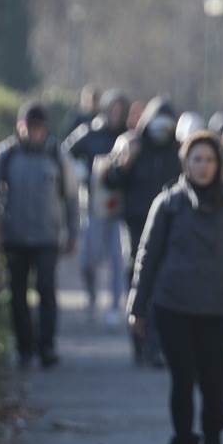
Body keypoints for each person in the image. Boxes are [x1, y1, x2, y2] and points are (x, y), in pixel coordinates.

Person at [126, 131, 223, 444]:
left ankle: (213, 430)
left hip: (214, 308)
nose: (202, 167)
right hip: (173, 306)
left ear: (219, 165)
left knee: (214, 386)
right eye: (196, 159)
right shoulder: (168, 203)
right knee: (182, 381)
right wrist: (138, 306)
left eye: (209, 160)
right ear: (186, 163)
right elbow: (147, 257)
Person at [0, 103, 79, 369]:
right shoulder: (5, 154)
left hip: (47, 238)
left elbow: (72, 197)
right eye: (28, 127)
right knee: (17, 295)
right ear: (20, 126)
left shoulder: (57, 155)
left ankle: (47, 346)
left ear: (45, 128)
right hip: (15, 237)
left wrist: (73, 232)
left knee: (46, 291)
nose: (33, 132)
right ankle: (24, 348)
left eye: (38, 128)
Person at [102, 96, 181, 366]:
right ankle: (139, 344)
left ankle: (158, 345)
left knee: (164, 287)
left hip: (171, 227)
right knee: (138, 285)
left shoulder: (178, 151)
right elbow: (111, 180)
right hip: (137, 226)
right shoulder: (134, 146)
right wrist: (124, 163)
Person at [62, 90, 131, 324]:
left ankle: (114, 306)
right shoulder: (90, 133)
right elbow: (65, 153)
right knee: (89, 258)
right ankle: (91, 295)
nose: (116, 114)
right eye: (113, 109)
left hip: (121, 206)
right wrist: (79, 170)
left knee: (117, 258)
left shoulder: (129, 136)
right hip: (94, 205)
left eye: (121, 110)